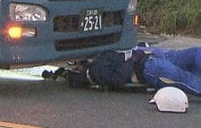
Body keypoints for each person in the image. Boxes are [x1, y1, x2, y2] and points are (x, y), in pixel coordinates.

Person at [64, 45, 201, 97]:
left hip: (156, 56)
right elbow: (118, 79)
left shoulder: (103, 52)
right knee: (185, 80)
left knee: (195, 53)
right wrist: (134, 58)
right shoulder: (96, 70)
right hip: (148, 68)